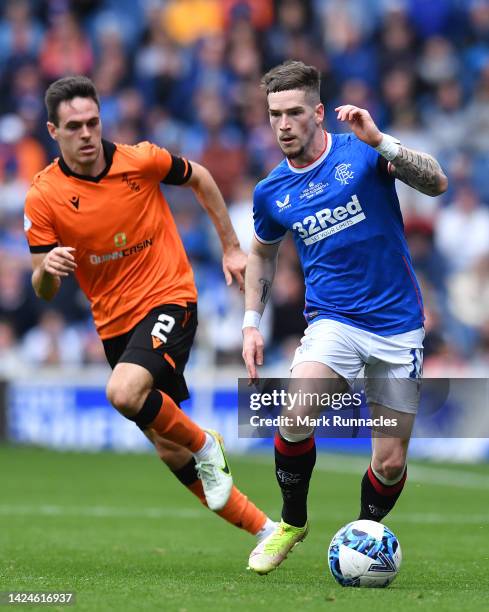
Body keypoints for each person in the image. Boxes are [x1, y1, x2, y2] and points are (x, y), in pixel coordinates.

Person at [24, 76, 275, 544]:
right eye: (74, 125)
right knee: (165, 445)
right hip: (114, 324)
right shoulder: (43, 196)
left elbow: (198, 175)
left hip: (169, 296)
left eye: (92, 122)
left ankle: (207, 444)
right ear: (53, 132)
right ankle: (264, 529)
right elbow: (43, 289)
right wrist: (46, 271)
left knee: (122, 392)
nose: (86, 133)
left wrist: (231, 248)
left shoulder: (139, 160)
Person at [242, 61, 448, 574]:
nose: (283, 124)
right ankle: (291, 522)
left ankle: (362, 537)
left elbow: (437, 182)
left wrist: (382, 140)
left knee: (390, 461)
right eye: (274, 115)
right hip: (333, 322)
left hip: (398, 326)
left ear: (317, 112)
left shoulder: (361, 150)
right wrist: (250, 321)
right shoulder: (271, 192)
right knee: (294, 416)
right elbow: (262, 254)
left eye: (293, 112)